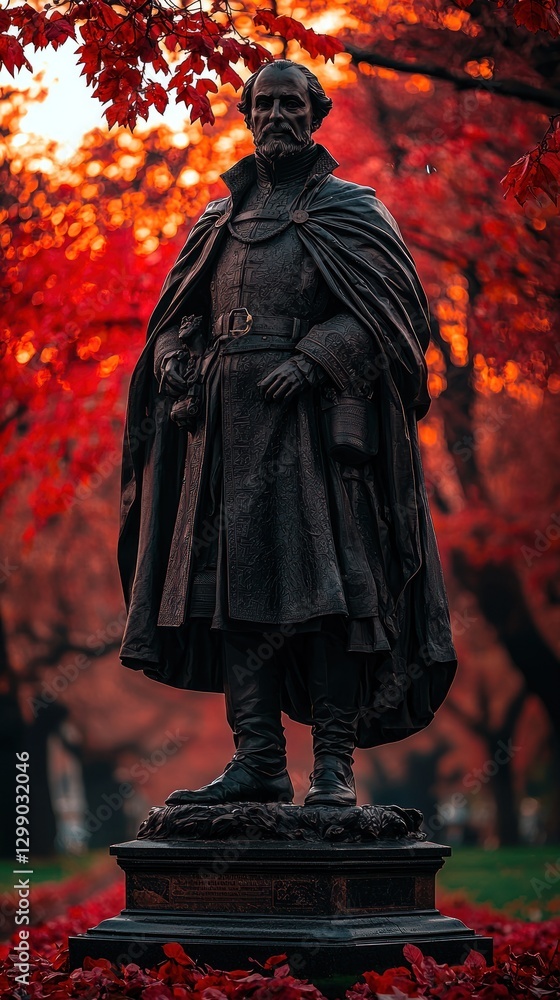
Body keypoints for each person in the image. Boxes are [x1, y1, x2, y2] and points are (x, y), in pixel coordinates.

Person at [118, 59, 456, 808]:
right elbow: (176, 321)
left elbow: (396, 320)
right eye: (264, 103)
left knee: (324, 600)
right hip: (222, 444)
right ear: (246, 114)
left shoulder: (352, 210)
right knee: (233, 600)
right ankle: (259, 762)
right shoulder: (217, 221)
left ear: (316, 112)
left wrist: (315, 358)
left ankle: (332, 768)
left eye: (291, 103)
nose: (277, 115)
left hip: (313, 446)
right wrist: (174, 358)